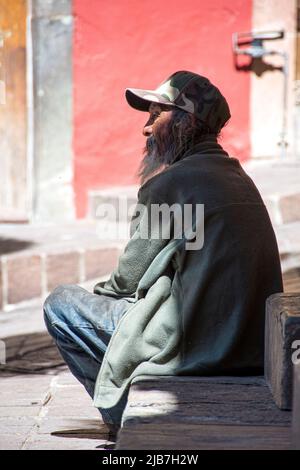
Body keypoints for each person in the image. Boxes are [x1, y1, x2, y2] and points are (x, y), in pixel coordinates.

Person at [43, 70, 283, 438]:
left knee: (61, 303)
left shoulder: (171, 183)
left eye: (156, 115)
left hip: (194, 345)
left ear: (186, 123)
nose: (146, 128)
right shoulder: (238, 177)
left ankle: (120, 410)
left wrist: (106, 302)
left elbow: (126, 282)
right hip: (244, 346)